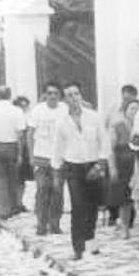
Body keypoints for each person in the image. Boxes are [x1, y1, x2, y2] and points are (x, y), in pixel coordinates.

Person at [52, 81, 109, 260]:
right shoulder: (61, 122)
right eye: (69, 95)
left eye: (76, 94)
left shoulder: (93, 117)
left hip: (93, 165)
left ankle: (90, 240)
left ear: (81, 95)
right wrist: (56, 170)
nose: (74, 98)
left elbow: (104, 141)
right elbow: (57, 147)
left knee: (92, 205)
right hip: (73, 167)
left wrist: (100, 164)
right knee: (78, 206)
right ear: (64, 99)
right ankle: (78, 247)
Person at [28, 81, 67, 235]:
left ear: (59, 95)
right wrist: (31, 156)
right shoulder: (37, 110)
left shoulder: (64, 110)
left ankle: (55, 223)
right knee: (42, 189)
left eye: (55, 93)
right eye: (49, 93)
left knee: (57, 190)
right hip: (41, 157)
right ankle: (41, 224)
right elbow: (30, 134)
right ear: (45, 95)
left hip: (59, 158)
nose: (52, 96)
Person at [0, 85, 26, 219]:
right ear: (10, 95)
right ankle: (14, 206)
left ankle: (2, 210)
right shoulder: (17, 111)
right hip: (12, 146)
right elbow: (20, 134)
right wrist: (20, 153)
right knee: (13, 178)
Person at [107, 98, 138, 239]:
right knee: (124, 198)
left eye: (137, 109)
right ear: (125, 111)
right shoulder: (117, 126)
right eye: (132, 108)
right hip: (123, 165)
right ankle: (125, 227)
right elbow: (111, 149)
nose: (135, 112)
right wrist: (112, 167)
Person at [12, 95, 33, 213]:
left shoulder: (30, 116)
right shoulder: (14, 117)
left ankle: (20, 203)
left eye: (25, 106)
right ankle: (16, 203)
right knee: (17, 178)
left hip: (27, 148)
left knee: (22, 178)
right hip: (16, 147)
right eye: (21, 106)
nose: (23, 108)